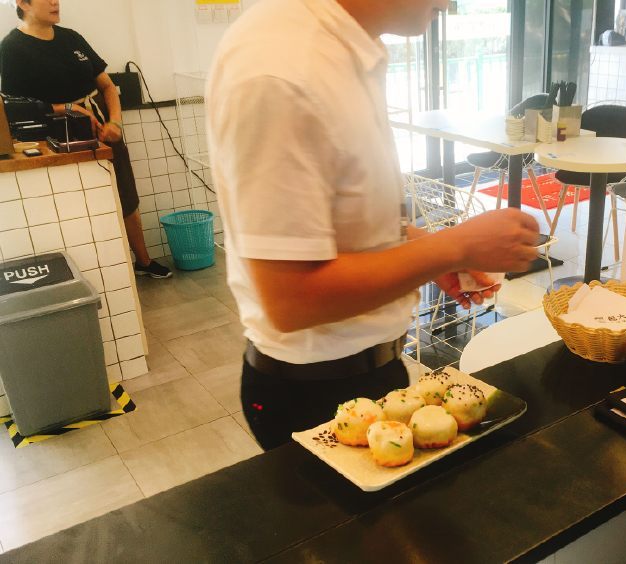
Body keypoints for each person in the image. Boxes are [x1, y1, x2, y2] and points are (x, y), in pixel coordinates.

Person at [207, 0, 541, 450]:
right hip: (315, 393)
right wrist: (457, 246)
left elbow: (351, 217)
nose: (448, 3)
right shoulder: (281, 70)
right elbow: (290, 299)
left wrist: (428, 254)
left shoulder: (344, 47)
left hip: (373, 370)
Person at [0, 0, 171, 279]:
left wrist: (115, 122)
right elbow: (12, 106)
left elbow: (107, 86)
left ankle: (143, 260)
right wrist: (67, 107)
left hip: (100, 127)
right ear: (22, 3)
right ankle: (101, 275)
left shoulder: (72, 38)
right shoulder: (12, 48)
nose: (55, 1)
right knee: (79, 206)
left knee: (125, 194)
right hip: (54, 137)